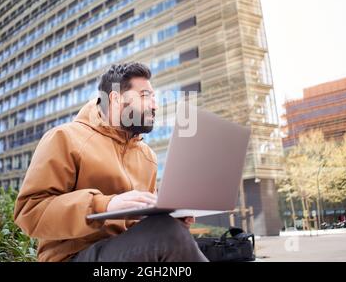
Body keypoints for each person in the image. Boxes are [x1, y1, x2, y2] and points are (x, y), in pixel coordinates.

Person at [14, 62, 208, 262]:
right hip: (72, 257)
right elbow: (30, 212)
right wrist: (105, 206)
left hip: (125, 251)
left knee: (183, 234)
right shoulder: (64, 137)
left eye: (154, 97)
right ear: (115, 99)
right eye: (145, 96)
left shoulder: (147, 155)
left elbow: (142, 227)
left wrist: (172, 217)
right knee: (167, 233)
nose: (155, 105)